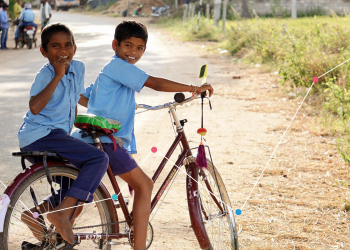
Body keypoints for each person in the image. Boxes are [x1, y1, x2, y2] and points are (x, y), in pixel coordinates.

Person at [71, 20, 214, 250]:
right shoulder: (119, 67)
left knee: (77, 193)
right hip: (108, 142)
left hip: (92, 139)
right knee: (144, 185)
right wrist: (195, 88)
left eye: (139, 48)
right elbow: (155, 84)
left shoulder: (108, 71)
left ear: (144, 50)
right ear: (115, 45)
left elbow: (86, 98)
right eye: (128, 45)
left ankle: (39, 216)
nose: (133, 52)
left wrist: (113, 107)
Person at [18, 23, 109, 247]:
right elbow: (35, 107)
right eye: (55, 46)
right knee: (99, 159)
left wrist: (99, 117)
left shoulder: (78, 68)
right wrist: (57, 75)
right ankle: (61, 216)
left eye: (68, 45)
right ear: (44, 52)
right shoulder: (45, 74)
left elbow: (75, 99)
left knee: (78, 178)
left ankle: (36, 215)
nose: (63, 51)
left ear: (75, 48)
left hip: (57, 135)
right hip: (40, 135)